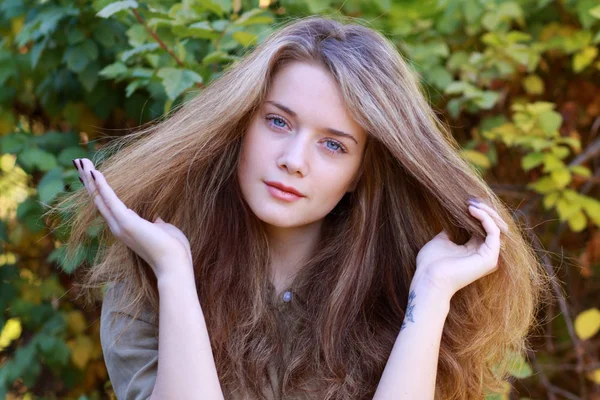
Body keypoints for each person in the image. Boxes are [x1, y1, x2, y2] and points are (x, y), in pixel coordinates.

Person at [52, 15, 553, 400]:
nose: (293, 161)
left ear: (362, 173)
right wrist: (174, 271)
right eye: (278, 122)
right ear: (240, 125)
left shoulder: (395, 289)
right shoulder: (148, 278)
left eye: (333, 145)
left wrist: (433, 292)